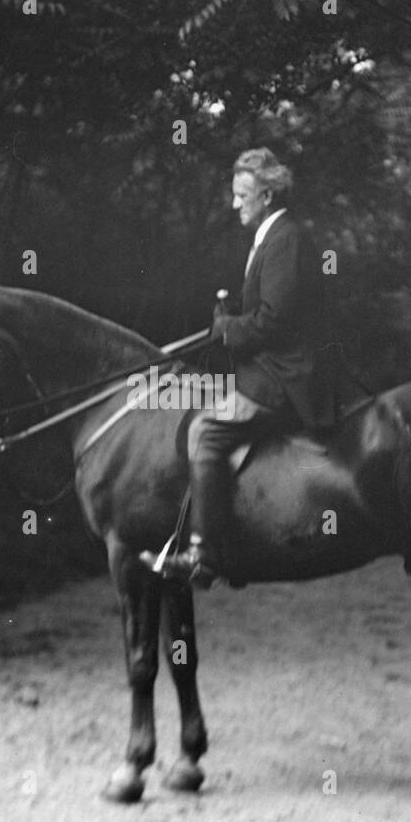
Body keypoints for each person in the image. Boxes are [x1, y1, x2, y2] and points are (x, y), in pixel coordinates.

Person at [141, 147, 345, 588]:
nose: (235, 205)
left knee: (205, 431)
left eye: (242, 195)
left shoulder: (285, 240)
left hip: (289, 377)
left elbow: (274, 320)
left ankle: (204, 553)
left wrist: (230, 328)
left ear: (267, 195)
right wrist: (229, 323)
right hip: (272, 368)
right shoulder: (272, 238)